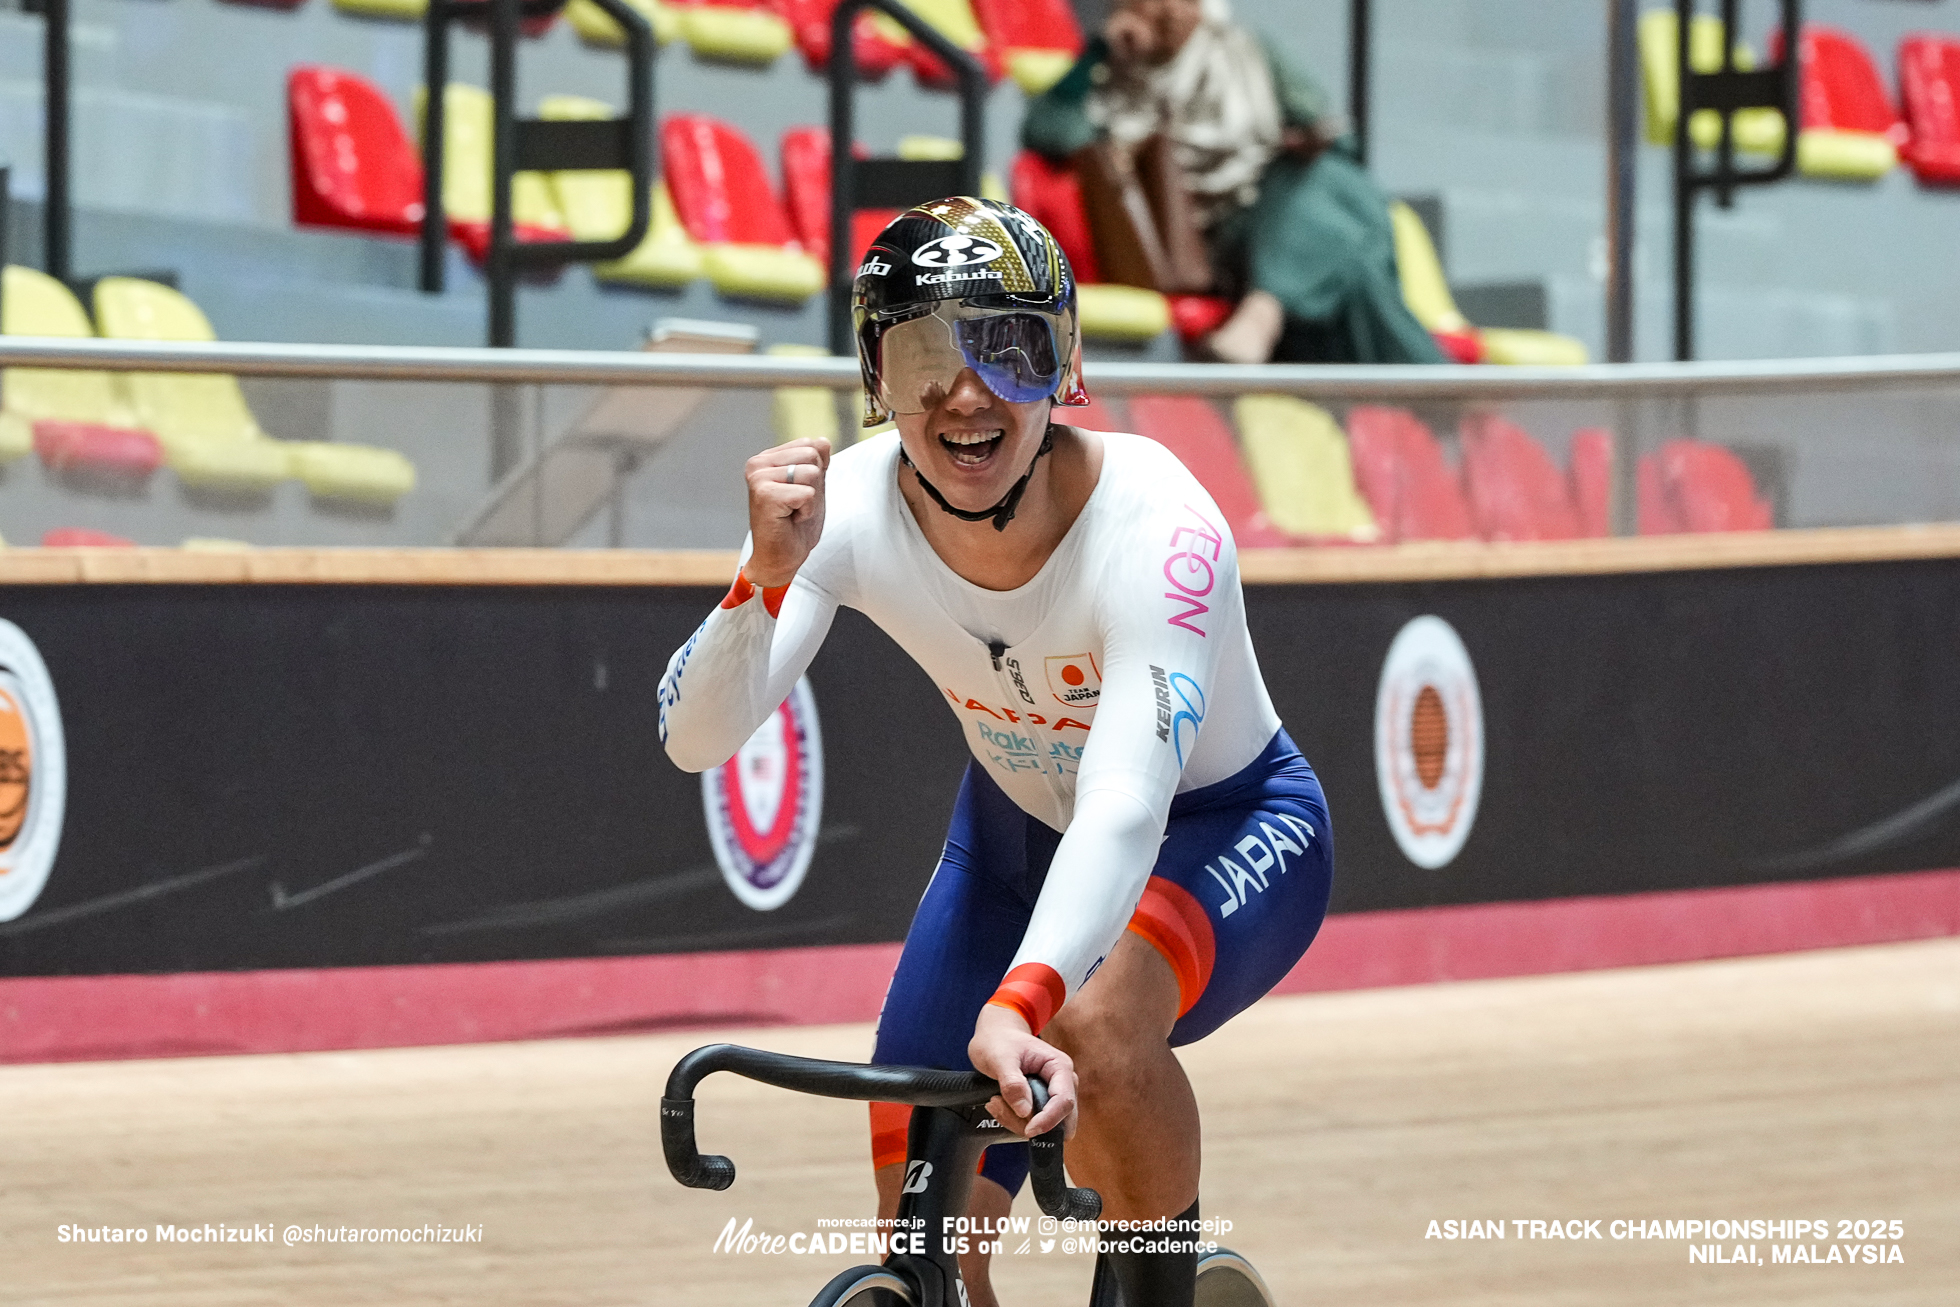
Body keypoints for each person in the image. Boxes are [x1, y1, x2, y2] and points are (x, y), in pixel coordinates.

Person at [658, 198, 1333, 1307]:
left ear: (1063, 363)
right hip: (1013, 840)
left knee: (1096, 1020)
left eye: (1004, 351)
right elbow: (701, 737)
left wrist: (1020, 1000)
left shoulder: (1160, 523)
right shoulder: (846, 509)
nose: (964, 395)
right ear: (874, 377)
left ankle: (1156, 1284)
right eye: (925, 355)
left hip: (1228, 825)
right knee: (921, 1232)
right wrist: (759, 582)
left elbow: (1125, 802)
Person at [1023, 0, 1444, 366]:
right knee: (1355, 262)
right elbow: (1046, 131)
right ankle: (1444, 397)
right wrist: (1097, 53)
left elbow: (1339, 142)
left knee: (1327, 179)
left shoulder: (1247, 52)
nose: (1170, 11)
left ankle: (1263, 314)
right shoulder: (1107, 83)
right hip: (1220, 241)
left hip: (1279, 202)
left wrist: (1305, 140)